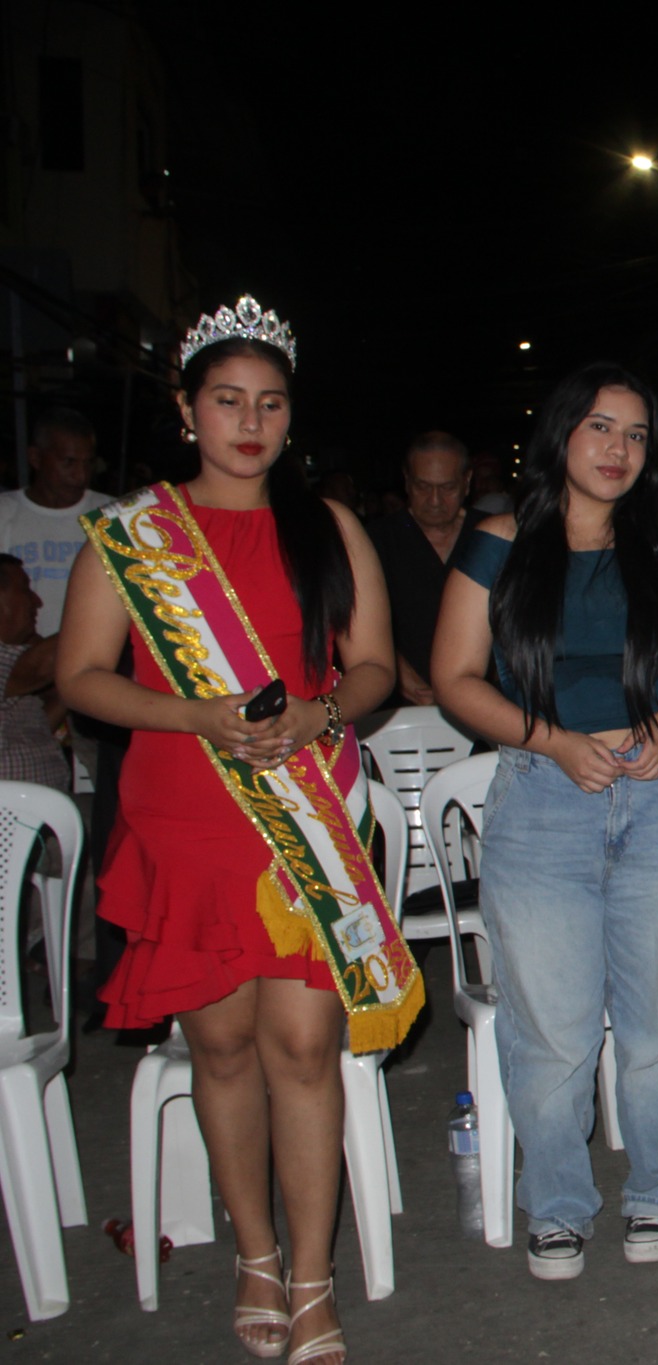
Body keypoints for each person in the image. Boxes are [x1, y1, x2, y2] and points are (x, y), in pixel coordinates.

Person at [57, 297, 411, 1364]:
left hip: (300, 815)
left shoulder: (329, 527)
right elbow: (82, 679)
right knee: (217, 1046)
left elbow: (375, 666)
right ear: (186, 409)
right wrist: (196, 715)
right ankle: (255, 1255)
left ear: (290, 416)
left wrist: (321, 712)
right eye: (227, 401)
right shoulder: (135, 536)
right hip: (185, 815)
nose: (250, 424)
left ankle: (312, 1277)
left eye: (270, 404)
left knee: (302, 1047)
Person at [434, 361, 658, 1280]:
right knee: (552, 1027)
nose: (618, 449)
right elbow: (453, 678)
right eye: (601, 427)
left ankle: (657, 1187)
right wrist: (555, 740)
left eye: (636, 435)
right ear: (562, 433)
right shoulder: (500, 540)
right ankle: (558, 1201)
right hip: (541, 796)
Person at [367, 432, 478, 707]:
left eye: (448, 488)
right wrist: (397, 673)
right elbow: (352, 621)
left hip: (484, 700)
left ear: (467, 482)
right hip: (399, 703)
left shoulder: (491, 536)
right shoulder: (376, 540)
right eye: (423, 487)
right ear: (406, 481)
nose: (435, 501)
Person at [0, 409, 112, 636]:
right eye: (69, 462)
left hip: (93, 651)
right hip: (16, 655)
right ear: (35, 458)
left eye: (88, 463)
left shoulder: (111, 515)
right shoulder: (5, 512)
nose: (81, 475)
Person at [0, 555, 68, 791]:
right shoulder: (19, 667)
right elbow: (40, 666)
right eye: (25, 590)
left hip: (36, 805)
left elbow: (33, 731)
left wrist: (69, 688)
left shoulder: (17, 665)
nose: (37, 602)